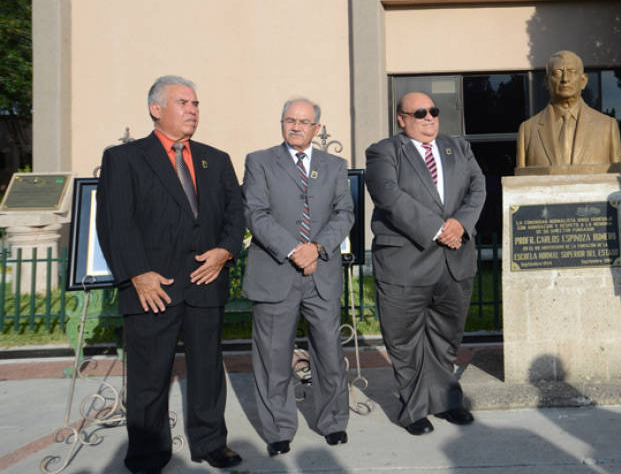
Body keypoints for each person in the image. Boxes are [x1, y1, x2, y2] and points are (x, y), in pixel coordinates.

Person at [96, 76, 244, 473]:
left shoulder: (217, 158)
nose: (193, 110)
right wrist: (137, 275)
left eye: (196, 103)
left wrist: (225, 251)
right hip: (152, 287)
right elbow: (114, 222)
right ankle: (147, 453)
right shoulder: (124, 159)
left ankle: (211, 443)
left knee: (208, 371)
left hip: (205, 283)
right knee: (148, 377)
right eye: (183, 102)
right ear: (156, 109)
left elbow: (236, 214)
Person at [364, 92, 486, 435]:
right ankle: (413, 409)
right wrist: (437, 229)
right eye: (420, 113)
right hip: (406, 262)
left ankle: (445, 402)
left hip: (454, 261)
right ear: (402, 119)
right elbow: (388, 195)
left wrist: (460, 224)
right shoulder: (384, 151)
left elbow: (478, 187)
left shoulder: (458, 147)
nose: (429, 117)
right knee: (404, 341)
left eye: (433, 111)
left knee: (445, 338)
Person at [242, 98, 355, 456]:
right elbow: (256, 214)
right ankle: (278, 429)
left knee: (329, 354)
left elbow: (345, 212)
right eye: (290, 120)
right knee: (274, 357)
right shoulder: (259, 162)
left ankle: (333, 421)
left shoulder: (335, 165)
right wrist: (295, 250)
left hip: (320, 273)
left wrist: (317, 248)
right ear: (281, 123)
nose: (296, 127)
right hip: (276, 271)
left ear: (316, 129)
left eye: (304, 122)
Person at [516, 50, 621, 171]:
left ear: (583, 81)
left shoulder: (607, 127)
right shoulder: (528, 130)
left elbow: (616, 179)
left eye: (572, 72)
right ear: (546, 81)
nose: (565, 79)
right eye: (557, 72)